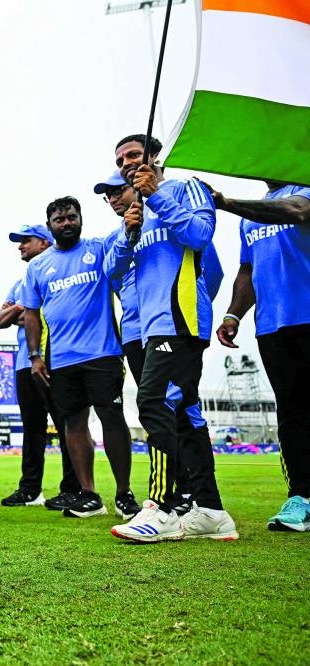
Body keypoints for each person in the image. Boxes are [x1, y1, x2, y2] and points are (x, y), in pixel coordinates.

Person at [104, 133, 237, 542]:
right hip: (146, 329)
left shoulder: (183, 189)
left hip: (177, 321)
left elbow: (200, 238)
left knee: (153, 403)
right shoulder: (133, 216)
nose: (126, 163)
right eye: (120, 158)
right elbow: (114, 274)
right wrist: (130, 233)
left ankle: (162, 508)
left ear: (154, 156)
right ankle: (211, 510)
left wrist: (157, 195)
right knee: (184, 414)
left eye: (133, 155)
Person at [22, 197, 139, 520]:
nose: (67, 223)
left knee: (112, 418)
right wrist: (35, 356)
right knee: (73, 423)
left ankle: (124, 494)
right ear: (49, 226)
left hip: (103, 353)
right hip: (61, 360)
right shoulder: (37, 266)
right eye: (59, 220)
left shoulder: (99, 248)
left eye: (72, 217)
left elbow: (126, 239)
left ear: (81, 218)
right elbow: (31, 313)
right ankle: (89, 495)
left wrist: (131, 216)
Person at [210, 179, 310, 532]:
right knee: (292, 412)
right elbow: (247, 270)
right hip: (272, 325)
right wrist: (233, 314)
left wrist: (226, 202)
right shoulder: (249, 218)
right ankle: (301, 497)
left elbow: (296, 211)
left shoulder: (305, 191)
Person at [0, 224, 80, 510]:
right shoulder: (21, 282)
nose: (20, 246)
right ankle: (30, 489)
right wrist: (21, 310)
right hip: (24, 361)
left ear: (44, 243)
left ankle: (74, 488)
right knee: (32, 427)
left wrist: (20, 310)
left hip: (53, 359)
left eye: (26, 241)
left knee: (66, 424)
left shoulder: (57, 272)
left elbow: (46, 311)